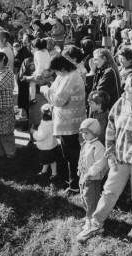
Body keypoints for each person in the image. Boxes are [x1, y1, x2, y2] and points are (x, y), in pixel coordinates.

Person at [77, 73, 132, 242]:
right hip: (120, 157)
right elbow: (111, 128)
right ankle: (96, 223)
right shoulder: (121, 103)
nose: (124, 88)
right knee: (110, 191)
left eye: (128, 86)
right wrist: (110, 153)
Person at [42, 56, 86, 194]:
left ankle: (75, 185)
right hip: (65, 120)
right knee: (69, 153)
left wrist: (44, 90)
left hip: (70, 122)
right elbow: (55, 91)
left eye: (56, 71)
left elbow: (58, 99)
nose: (55, 74)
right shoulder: (64, 75)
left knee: (72, 154)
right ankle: (73, 180)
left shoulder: (71, 77)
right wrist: (51, 91)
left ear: (62, 68)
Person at [77, 118, 109, 232]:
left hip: (92, 178)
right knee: (84, 196)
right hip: (83, 176)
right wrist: (79, 169)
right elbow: (82, 158)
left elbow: (100, 163)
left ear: (94, 133)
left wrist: (90, 173)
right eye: (82, 132)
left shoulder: (98, 146)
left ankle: (92, 219)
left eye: (87, 133)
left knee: (91, 199)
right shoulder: (86, 144)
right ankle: (88, 215)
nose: (84, 135)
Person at [32, 104, 58, 179]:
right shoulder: (52, 123)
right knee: (48, 160)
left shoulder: (45, 126)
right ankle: (44, 170)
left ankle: (54, 173)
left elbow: (41, 137)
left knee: (51, 161)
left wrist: (34, 132)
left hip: (47, 147)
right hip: (51, 144)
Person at [30, 38, 51, 105]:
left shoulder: (37, 53)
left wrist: (38, 74)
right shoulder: (46, 51)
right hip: (47, 70)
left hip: (41, 71)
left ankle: (32, 99)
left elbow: (40, 64)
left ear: (36, 46)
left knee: (32, 83)